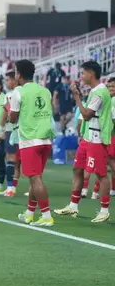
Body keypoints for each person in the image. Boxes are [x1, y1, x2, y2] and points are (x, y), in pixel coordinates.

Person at [54, 61, 112, 223]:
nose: (82, 76)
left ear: (91, 73)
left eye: (83, 73)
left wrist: (77, 97)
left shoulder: (100, 92)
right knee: (77, 169)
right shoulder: (95, 91)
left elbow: (86, 115)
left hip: (97, 138)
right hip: (88, 137)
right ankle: (73, 206)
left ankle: (104, 210)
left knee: (100, 174)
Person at [9, 59, 56, 227]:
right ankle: (29, 213)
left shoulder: (18, 92)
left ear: (18, 74)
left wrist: (9, 111)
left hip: (30, 139)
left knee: (35, 179)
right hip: (46, 139)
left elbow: (12, 118)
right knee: (36, 178)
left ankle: (46, 216)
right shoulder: (45, 91)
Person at [0, 71, 20, 197]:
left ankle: (10, 187)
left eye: (7, 80)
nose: (6, 83)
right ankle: (13, 187)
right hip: (24, 130)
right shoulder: (23, 92)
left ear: (14, 80)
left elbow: (7, 114)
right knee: (18, 160)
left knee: (11, 158)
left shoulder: (11, 95)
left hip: (13, 129)